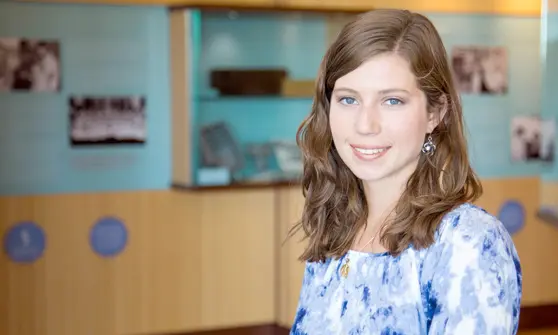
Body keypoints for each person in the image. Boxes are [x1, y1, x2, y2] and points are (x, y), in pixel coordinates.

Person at [288, 8, 522, 335]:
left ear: (435, 113)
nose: (365, 125)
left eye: (392, 101)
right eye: (348, 99)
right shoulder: (335, 230)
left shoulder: (468, 242)